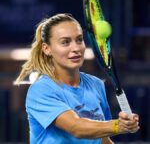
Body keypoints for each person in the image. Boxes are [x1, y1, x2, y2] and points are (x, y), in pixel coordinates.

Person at [15, 13, 139, 144]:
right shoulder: (41, 90)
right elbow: (76, 127)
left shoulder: (96, 84)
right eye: (65, 42)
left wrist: (121, 125)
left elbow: (100, 138)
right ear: (47, 49)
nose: (76, 48)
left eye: (79, 40)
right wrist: (118, 126)